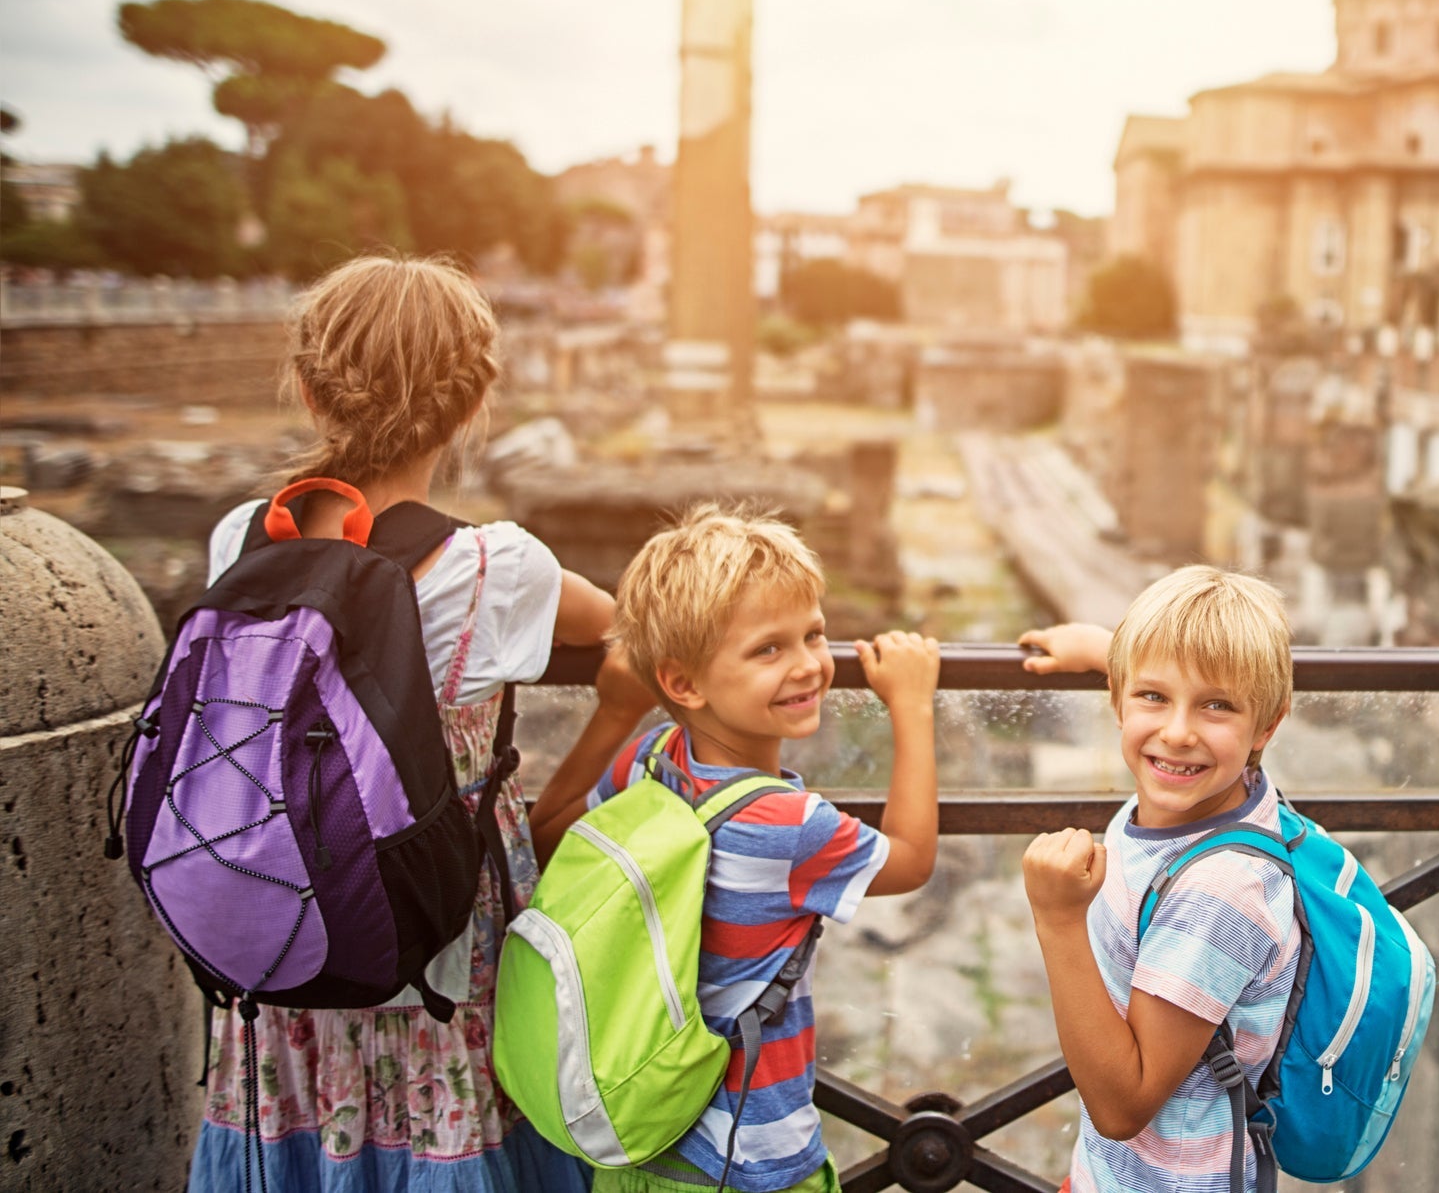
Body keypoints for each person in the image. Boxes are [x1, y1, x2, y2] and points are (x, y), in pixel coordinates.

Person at [191, 255, 639, 1192]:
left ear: (310, 390)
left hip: (284, 924)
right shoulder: (496, 568)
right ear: (474, 401)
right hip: (435, 953)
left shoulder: (241, 538)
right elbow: (626, 624)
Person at [529, 505, 940, 1193]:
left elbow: (549, 829)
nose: (809, 664)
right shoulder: (788, 822)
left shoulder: (651, 757)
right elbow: (910, 857)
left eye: (813, 633)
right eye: (767, 649)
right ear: (684, 682)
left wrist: (616, 710)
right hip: (749, 1156)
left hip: (636, 1138)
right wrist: (912, 705)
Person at [1017, 568, 1302, 1193]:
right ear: (1118, 696)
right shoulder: (1224, 796)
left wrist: (1057, 919)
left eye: (1216, 705)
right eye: (1152, 696)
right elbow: (1179, 696)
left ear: (1266, 728)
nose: (1177, 731)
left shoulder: (1221, 892)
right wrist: (1105, 651)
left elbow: (1123, 1109)